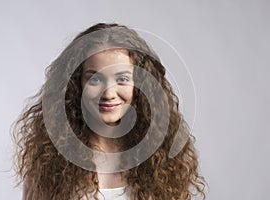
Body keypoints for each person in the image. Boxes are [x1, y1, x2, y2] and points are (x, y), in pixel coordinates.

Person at [12, 23, 206, 200]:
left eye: (122, 79)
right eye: (95, 79)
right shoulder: (49, 164)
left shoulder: (162, 163)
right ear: (76, 84)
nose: (109, 93)